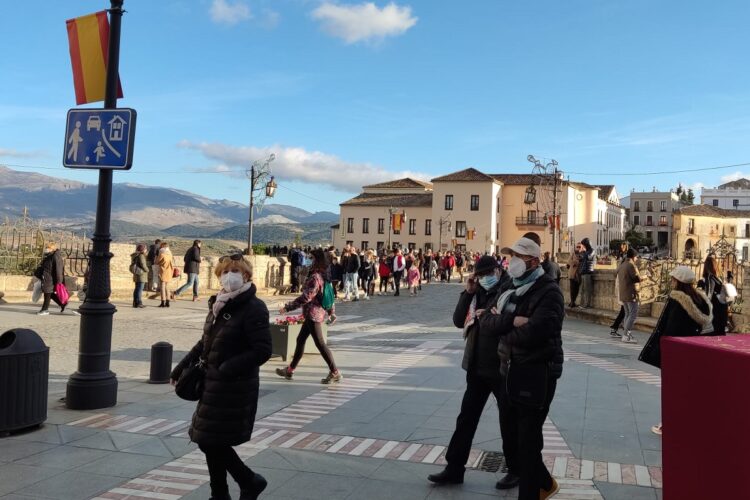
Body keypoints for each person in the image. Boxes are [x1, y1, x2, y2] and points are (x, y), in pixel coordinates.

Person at [170, 253, 272, 500]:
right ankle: (222, 492)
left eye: (235, 271)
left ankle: (246, 481)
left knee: (210, 439)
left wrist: (227, 368)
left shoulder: (253, 308)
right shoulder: (219, 303)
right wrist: (181, 366)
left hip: (234, 385)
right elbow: (205, 342)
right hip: (212, 382)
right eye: (225, 272)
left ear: (246, 275)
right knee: (208, 439)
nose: (230, 276)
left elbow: (262, 350)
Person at [480, 235, 565, 500]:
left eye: (518, 257)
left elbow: (535, 333)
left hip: (536, 374)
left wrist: (502, 326)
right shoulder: (509, 288)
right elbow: (486, 323)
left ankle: (532, 493)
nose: (512, 262)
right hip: (509, 371)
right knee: (516, 438)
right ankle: (544, 482)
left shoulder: (549, 291)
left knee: (528, 442)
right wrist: (513, 321)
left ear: (534, 261)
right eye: (511, 256)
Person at [427, 255, 510, 489]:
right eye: (479, 275)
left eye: (486, 274)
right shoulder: (477, 292)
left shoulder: (507, 290)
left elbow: (509, 322)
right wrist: (468, 292)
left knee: (508, 420)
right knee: (466, 419)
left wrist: (493, 317)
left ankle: (516, 469)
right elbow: (457, 320)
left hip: (500, 366)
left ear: (497, 270)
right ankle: (454, 468)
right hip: (476, 366)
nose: (483, 279)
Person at [643, 266, 711, 436]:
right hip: (693, 350)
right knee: (687, 389)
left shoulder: (676, 300)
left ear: (678, 282)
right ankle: (687, 421)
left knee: (671, 390)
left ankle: (668, 424)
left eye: (673, 279)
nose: (671, 281)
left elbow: (670, 327)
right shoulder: (700, 299)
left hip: (675, 353)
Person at [276, 248, 343, 384]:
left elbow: (306, 297)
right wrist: (331, 312)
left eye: (311, 258)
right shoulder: (325, 275)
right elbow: (329, 296)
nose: (308, 261)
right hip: (314, 314)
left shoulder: (315, 277)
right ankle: (289, 370)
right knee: (300, 340)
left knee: (321, 344)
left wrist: (287, 308)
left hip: (313, 314)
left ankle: (335, 371)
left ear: (316, 261)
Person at [34, 242, 74, 315]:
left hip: (50, 279)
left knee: (47, 293)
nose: (46, 249)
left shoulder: (55, 256)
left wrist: (59, 281)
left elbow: (58, 269)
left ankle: (45, 310)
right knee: (50, 293)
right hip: (46, 278)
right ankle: (62, 304)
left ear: (52, 249)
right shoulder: (49, 256)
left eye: (48, 248)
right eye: (46, 247)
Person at [616, 248, 641, 344]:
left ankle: (626, 335)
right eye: (636, 257)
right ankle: (626, 335)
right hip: (630, 293)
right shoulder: (631, 265)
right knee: (633, 314)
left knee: (627, 313)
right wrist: (644, 276)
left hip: (623, 292)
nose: (637, 259)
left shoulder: (622, 264)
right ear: (634, 256)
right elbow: (636, 278)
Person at [703, 254, 728, 335]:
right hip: (719, 306)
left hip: (717, 307)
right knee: (719, 330)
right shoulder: (714, 278)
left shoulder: (711, 277)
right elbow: (711, 293)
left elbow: (709, 294)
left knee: (717, 329)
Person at [155, 242, 174, 308]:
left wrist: (157, 256)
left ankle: (163, 302)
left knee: (162, 287)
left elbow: (156, 262)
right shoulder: (170, 254)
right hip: (169, 271)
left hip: (163, 271)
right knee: (167, 287)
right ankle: (168, 302)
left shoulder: (162, 254)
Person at [130, 243, 149, 308]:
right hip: (141, 274)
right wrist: (147, 270)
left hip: (136, 274)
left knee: (137, 289)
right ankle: (139, 302)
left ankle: (135, 302)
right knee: (140, 289)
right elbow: (143, 265)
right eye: (145, 249)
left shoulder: (135, 255)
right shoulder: (141, 256)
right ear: (143, 250)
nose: (146, 250)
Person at [579, 238, 595, 308]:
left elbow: (588, 257)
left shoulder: (592, 250)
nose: (583, 246)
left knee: (587, 290)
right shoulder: (586, 251)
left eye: (584, 245)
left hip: (588, 272)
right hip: (583, 271)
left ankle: (587, 304)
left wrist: (583, 252)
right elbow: (581, 258)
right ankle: (583, 303)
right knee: (583, 289)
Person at [567, 244, 582, 308]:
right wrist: (576, 262)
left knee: (577, 289)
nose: (578, 248)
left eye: (579, 247)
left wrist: (575, 262)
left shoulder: (582, 254)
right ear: (575, 247)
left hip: (578, 275)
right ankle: (572, 302)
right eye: (577, 247)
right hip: (572, 274)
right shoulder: (572, 254)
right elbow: (569, 262)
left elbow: (582, 263)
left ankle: (573, 302)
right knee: (572, 289)